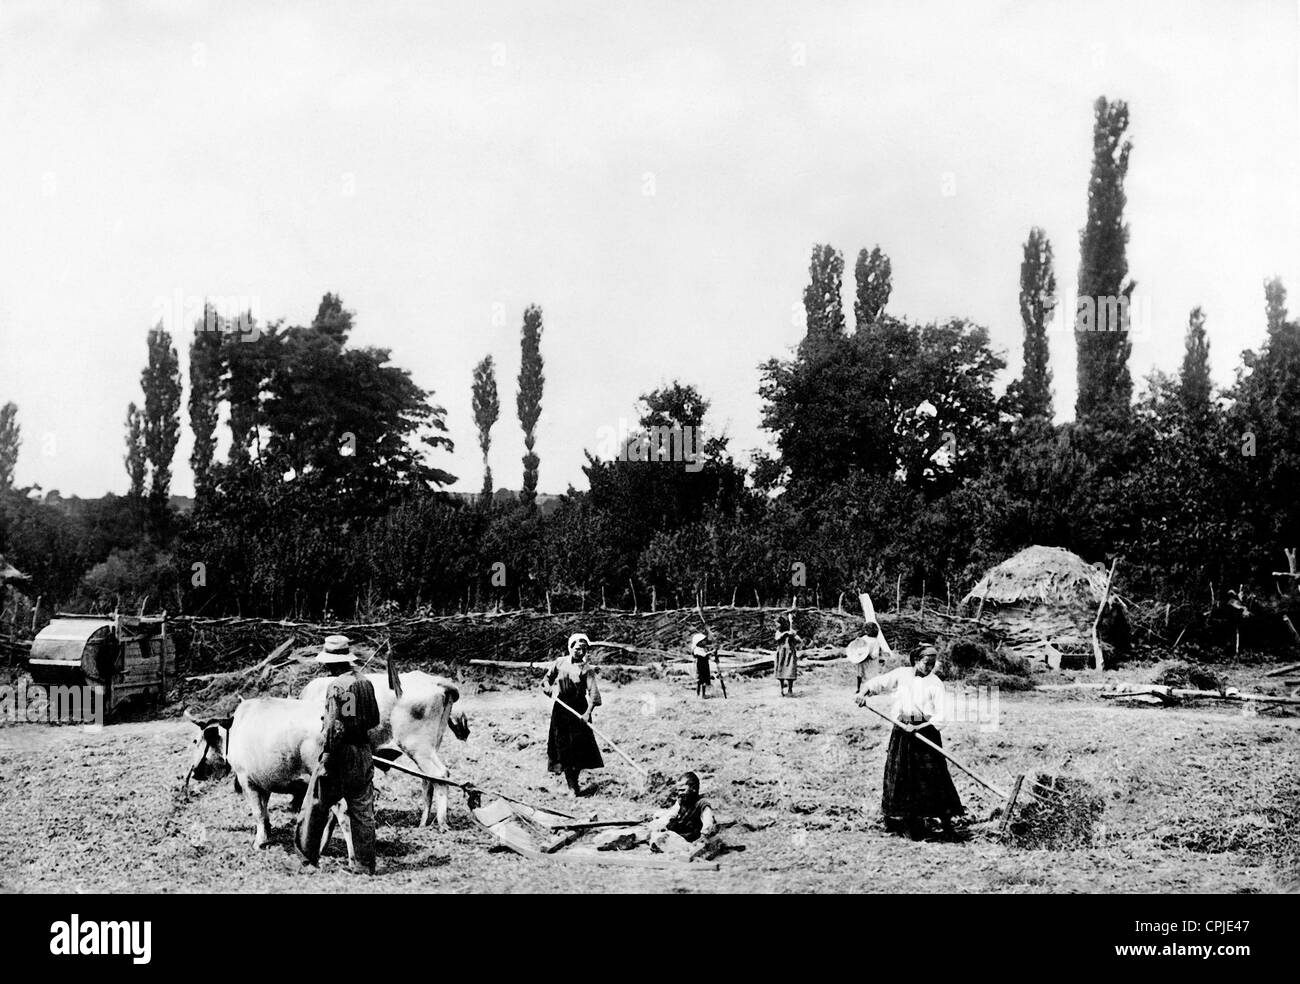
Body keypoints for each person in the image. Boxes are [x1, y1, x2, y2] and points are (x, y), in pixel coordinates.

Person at [855, 645, 964, 840]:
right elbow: (878, 683)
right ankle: (907, 822)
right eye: (926, 663)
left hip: (926, 732)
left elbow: (942, 715)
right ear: (916, 660)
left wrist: (919, 728)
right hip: (902, 731)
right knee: (902, 775)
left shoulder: (935, 683)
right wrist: (863, 694)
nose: (929, 667)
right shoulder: (901, 674)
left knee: (935, 775)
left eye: (932, 664)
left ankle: (946, 824)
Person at [294, 634, 382, 874]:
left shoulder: (338, 687)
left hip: (341, 755)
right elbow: (374, 719)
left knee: (315, 805)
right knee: (363, 812)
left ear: (332, 662)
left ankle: (307, 860)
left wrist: (327, 755)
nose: (324, 666)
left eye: (326, 662)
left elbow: (337, 727)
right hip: (363, 752)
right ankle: (364, 865)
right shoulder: (365, 682)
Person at [543, 632, 604, 796]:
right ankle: (571, 786)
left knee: (577, 748)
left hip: (579, 710)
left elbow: (594, 695)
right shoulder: (560, 663)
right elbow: (546, 680)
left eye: (584, 649)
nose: (581, 652)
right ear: (570, 648)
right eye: (578, 648)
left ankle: (574, 783)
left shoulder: (587, 670)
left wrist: (587, 713)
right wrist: (548, 687)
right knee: (563, 747)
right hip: (561, 709)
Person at [774, 613, 801, 697]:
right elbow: (777, 638)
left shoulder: (791, 631)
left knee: (790, 670)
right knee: (781, 669)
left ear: (781, 623)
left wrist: (793, 635)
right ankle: (781, 689)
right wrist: (785, 634)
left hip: (790, 653)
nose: (776, 625)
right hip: (781, 653)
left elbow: (799, 640)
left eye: (777, 623)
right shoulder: (778, 632)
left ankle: (790, 689)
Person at [690, 631, 713, 698]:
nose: (705, 642)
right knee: (701, 679)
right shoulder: (697, 649)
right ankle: (700, 694)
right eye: (703, 641)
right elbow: (703, 655)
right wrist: (710, 653)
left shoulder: (703, 649)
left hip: (705, 665)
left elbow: (707, 656)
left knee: (704, 679)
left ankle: (702, 694)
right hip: (701, 666)